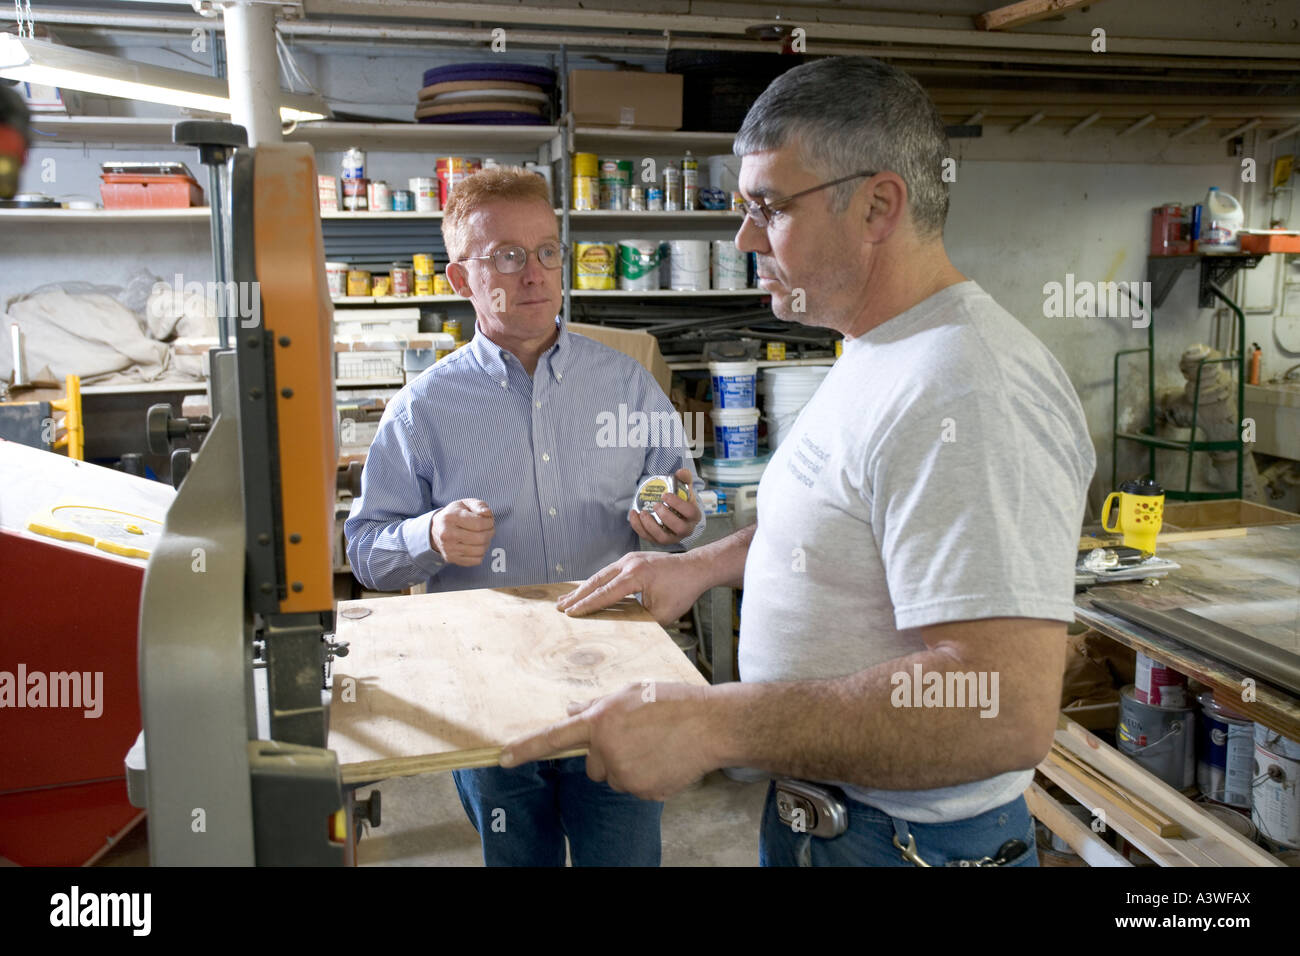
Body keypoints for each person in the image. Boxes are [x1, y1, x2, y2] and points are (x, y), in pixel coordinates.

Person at [501, 56, 1096, 867]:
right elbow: (844, 523)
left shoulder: (966, 386)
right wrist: (702, 565)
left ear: (878, 205)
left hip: (908, 848)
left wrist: (715, 722)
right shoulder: (872, 349)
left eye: (769, 208)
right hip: (828, 822)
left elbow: (999, 704)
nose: (743, 236)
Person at [344, 167, 704, 866]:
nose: (534, 273)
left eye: (546, 251)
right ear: (460, 279)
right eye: (507, 255)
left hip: (617, 682)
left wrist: (671, 515)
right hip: (487, 693)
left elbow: (673, 488)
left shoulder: (625, 384)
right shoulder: (423, 409)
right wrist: (429, 535)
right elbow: (363, 549)